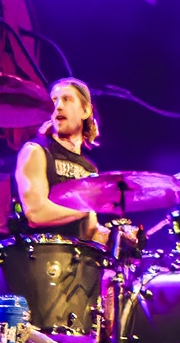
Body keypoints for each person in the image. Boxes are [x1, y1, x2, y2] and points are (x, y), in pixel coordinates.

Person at [15, 78, 109, 245]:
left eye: (67, 99)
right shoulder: (35, 151)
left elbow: (89, 229)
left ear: (85, 111)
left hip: (76, 257)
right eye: (54, 101)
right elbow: (36, 213)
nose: (58, 106)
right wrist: (86, 208)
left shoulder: (89, 168)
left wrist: (116, 237)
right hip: (39, 255)